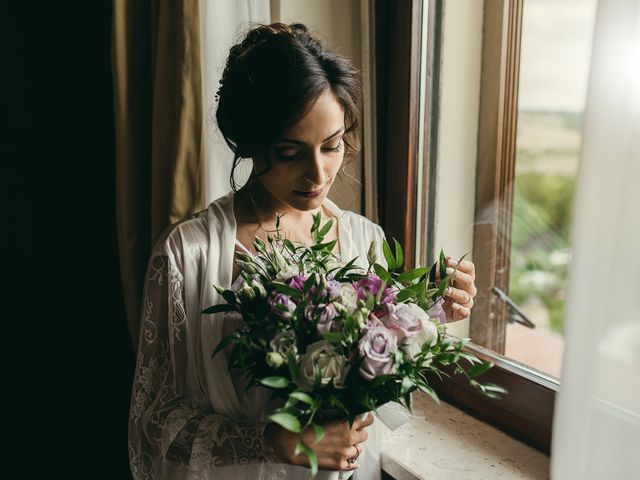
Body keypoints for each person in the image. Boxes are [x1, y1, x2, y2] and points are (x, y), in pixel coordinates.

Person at [128, 22, 477, 480]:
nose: (318, 173)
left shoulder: (364, 242)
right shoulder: (186, 256)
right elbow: (152, 429)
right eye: (290, 153)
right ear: (251, 142)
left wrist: (422, 312)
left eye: (332, 146)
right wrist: (272, 441)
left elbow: (369, 380)